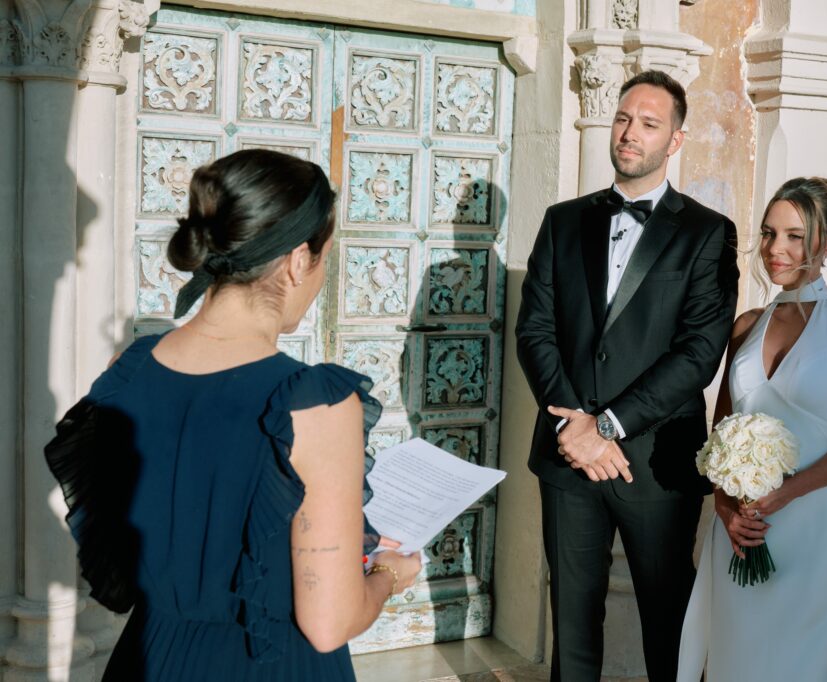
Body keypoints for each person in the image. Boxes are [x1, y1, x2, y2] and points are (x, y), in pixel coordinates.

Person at [44, 149, 421, 681]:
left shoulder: (127, 370)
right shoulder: (313, 402)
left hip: (150, 658)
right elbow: (329, 623)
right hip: (271, 665)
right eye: (323, 259)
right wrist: (387, 573)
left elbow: (148, 542)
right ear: (296, 260)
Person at [515, 70, 739, 681]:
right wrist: (575, 428)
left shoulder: (708, 234)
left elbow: (699, 351)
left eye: (648, 123)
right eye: (622, 118)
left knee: (669, 622)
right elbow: (534, 330)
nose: (629, 132)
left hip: (657, 461)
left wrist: (607, 427)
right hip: (566, 457)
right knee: (573, 625)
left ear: (675, 140)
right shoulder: (562, 222)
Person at [676, 177, 827, 681]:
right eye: (770, 232)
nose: (776, 249)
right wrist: (728, 509)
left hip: (817, 527)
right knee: (737, 658)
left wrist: (788, 492)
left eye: (796, 235)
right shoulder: (746, 325)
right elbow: (722, 433)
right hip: (744, 531)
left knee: (800, 664)